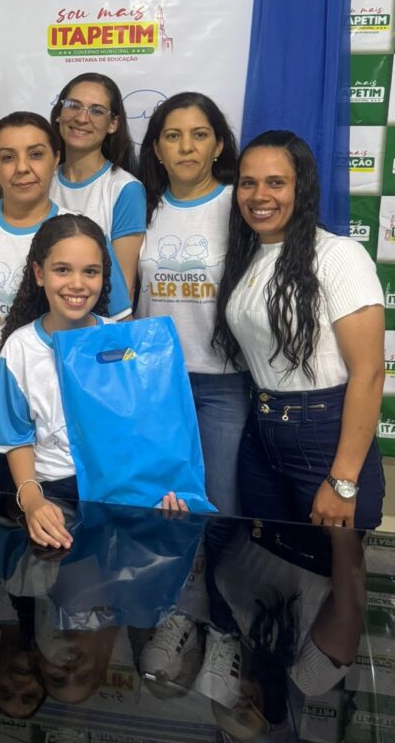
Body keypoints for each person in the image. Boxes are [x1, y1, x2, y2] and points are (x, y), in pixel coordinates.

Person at [0, 113, 131, 493]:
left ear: (55, 158)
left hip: (62, 435)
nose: (22, 168)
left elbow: (120, 333)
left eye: (35, 154)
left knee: (56, 528)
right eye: (7, 156)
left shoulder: (81, 234)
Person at [213, 130, 385, 529]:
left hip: (323, 436)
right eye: (248, 183)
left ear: (301, 187)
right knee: (269, 559)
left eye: (276, 182)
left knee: (333, 562)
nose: (259, 196)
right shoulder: (248, 258)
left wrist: (342, 481)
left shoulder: (339, 255)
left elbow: (370, 373)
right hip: (260, 433)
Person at [0, 214, 186, 549]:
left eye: (90, 272)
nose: (77, 284)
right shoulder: (20, 349)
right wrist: (33, 501)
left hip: (122, 487)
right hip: (54, 491)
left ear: (104, 277)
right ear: (39, 273)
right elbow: (16, 437)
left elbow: (148, 427)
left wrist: (165, 488)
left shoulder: (123, 342)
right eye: (62, 270)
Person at [136, 92, 248, 514]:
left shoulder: (240, 204)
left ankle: (217, 563)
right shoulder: (139, 205)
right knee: (158, 501)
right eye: (173, 136)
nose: (186, 147)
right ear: (157, 149)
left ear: (218, 145)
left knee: (219, 504)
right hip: (154, 379)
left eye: (199, 135)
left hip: (223, 381)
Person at [49, 73, 146, 297]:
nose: (82, 118)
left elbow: (121, 291)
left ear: (113, 124)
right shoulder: (41, 181)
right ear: (59, 114)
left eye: (96, 111)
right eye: (73, 106)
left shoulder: (125, 189)